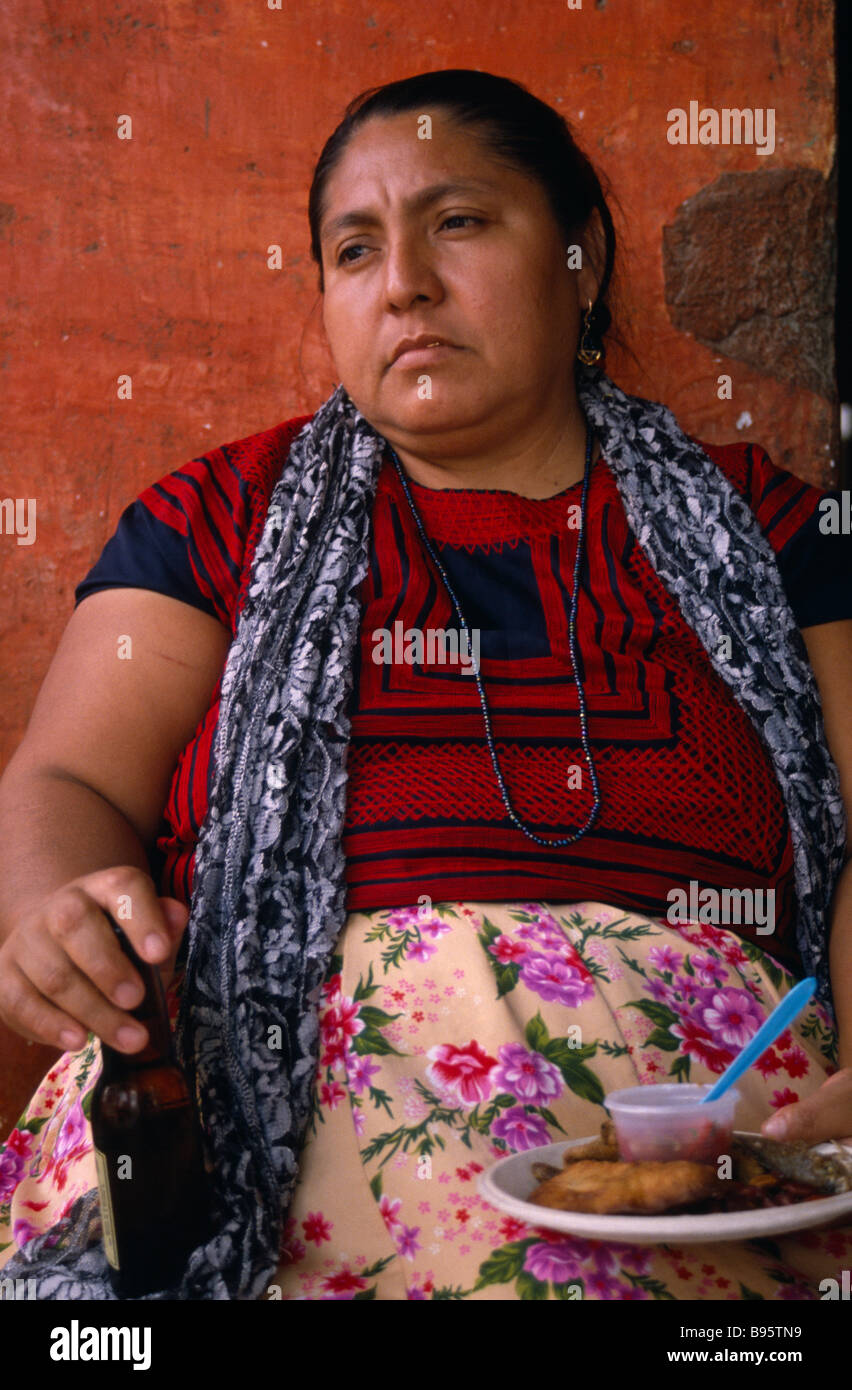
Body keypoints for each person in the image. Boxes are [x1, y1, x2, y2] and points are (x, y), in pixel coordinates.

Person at [1, 68, 851, 1302]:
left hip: (702, 1147)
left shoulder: (771, 530)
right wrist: (57, 909)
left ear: (581, 258)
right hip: (271, 1125)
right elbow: (70, 775)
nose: (401, 281)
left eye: (458, 222)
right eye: (355, 248)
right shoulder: (217, 519)